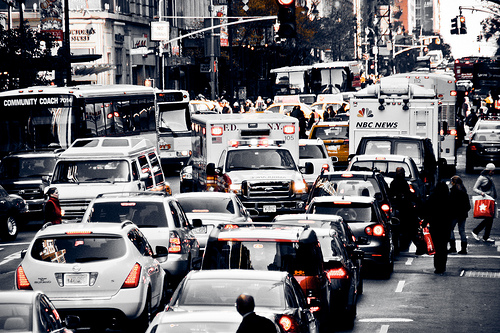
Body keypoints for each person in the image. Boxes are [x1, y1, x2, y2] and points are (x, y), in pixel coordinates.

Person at [424, 181, 452, 274]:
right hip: (445, 226)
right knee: (443, 247)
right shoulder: (448, 198)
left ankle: (437, 266)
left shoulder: (433, 197)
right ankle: (442, 266)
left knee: (436, 246)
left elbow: (428, 211)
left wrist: (425, 222)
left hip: (435, 225)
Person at [389, 167, 420, 252]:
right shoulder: (398, 183)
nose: (402, 173)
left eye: (402, 172)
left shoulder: (397, 182)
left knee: (406, 229)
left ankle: (411, 245)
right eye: (401, 172)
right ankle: (416, 245)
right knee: (408, 229)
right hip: (402, 209)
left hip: (403, 209)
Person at [472, 163, 497, 242]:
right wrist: (481, 193)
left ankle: (486, 236)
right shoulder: (481, 178)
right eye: (492, 171)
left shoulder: (489, 177)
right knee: (489, 218)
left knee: (490, 218)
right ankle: (476, 231)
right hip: (486, 199)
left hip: (491, 199)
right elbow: (474, 188)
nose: (493, 172)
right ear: (489, 170)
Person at [448, 176, 471, 254]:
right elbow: (468, 206)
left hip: (454, 214)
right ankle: (463, 249)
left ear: (453, 183)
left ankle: (453, 247)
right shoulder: (464, 192)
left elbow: (449, 204)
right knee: (462, 231)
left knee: (450, 229)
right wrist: (463, 211)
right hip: (463, 214)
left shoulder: (452, 192)